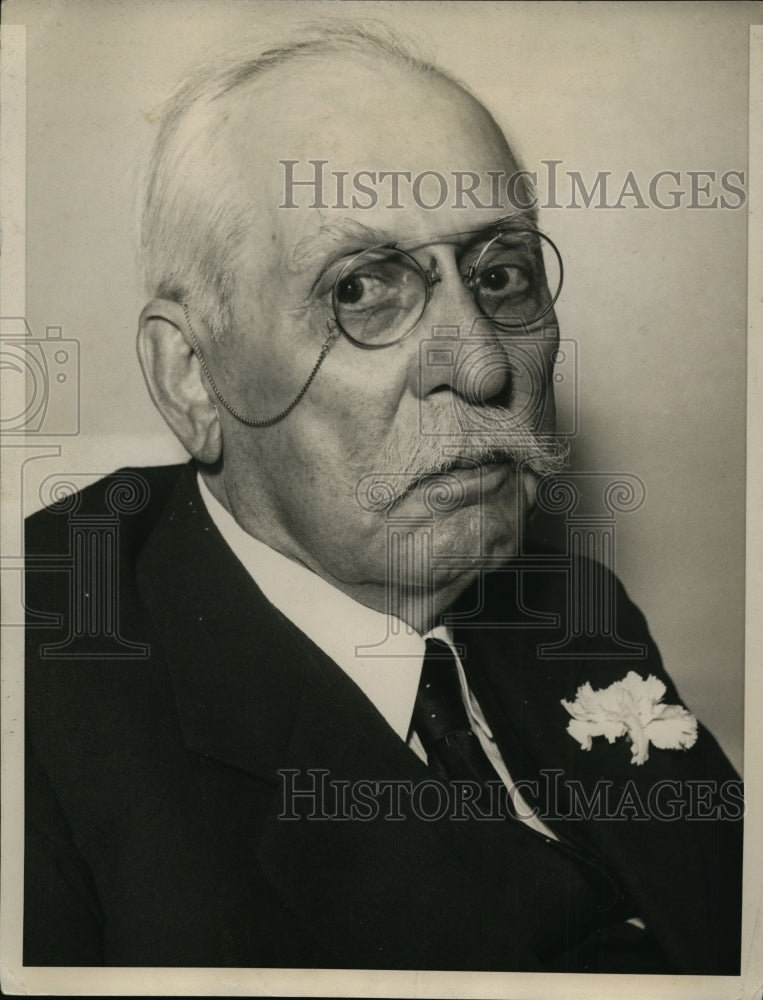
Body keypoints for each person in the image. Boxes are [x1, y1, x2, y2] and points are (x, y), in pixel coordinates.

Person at [24, 25, 742, 973]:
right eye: (361, 289)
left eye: (499, 276)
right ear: (193, 376)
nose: (483, 366)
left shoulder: (571, 611)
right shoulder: (39, 691)